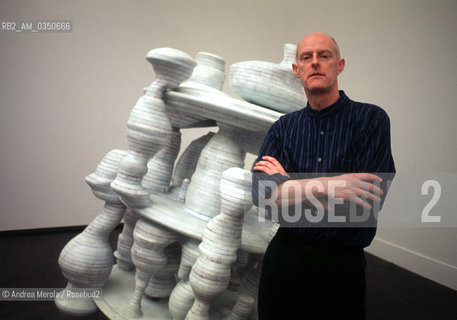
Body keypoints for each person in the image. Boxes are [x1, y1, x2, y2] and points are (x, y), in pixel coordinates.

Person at [252, 32, 395, 319]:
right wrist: (331, 186)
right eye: (306, 57)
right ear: (297, 70)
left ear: (339, 65)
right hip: (285, 259)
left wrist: (289, 186)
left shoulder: (371, 120)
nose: (315, 62)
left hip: (340, 266)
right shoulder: (282, 128)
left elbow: (361, 207)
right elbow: (262, 197)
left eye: (324, 55)